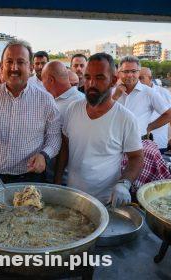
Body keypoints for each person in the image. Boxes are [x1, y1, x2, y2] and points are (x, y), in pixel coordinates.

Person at [0, 40, 61, 184]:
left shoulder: (45, 99)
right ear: (2, 66)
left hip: (32, 177)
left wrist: (44, 155)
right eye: (9, 62)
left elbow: (54, 137)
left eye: (21, 62)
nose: (14, 67)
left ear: (31, 68)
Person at [55, 53, 143, 207]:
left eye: (100, 78)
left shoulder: (125, 118)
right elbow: (64, 148)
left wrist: (124, 183)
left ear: (113, 81)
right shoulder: (73, 109)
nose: (91, 83)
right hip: (71, 197)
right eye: (88, 77)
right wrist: (56, 184)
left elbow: (136, 158)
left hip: (105, 202)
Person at [42, 61, 84, 183]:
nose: (42, 85)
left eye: (43, 81)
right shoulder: (51, 99)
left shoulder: (80, 103)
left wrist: (58, 178)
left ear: (50, 80)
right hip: (48, 171)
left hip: (65, 179)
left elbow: (72, 145)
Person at [113, 56, 171, 140]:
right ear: (119, 73)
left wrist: (148, 128)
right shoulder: (112, 92)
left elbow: (170, 114)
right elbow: (102, 115)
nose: (130, 75)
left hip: (138, 142)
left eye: (134, 71)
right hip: (114, 142)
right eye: (126, 71)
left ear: (138, 73)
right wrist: (115, 96)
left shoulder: (149, 92)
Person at [139, 67, 171, 151]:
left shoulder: (163, 92)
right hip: (138, 144)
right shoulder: (134, 93)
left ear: (150, 78)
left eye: (141, 78)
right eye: (137, 78)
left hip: (158, 143)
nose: (138, 81)